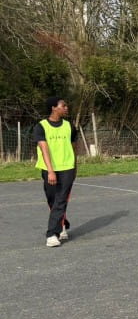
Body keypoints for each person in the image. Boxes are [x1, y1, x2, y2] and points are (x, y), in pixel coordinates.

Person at [34, 96, 79, 247]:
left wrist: (75, 166)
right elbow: (44, 149)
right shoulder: (41, 127)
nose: (66, 108)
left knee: (61, 199)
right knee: (52, 200)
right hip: (49, 169)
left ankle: (52, 234)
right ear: (54, 107)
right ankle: (62, 224)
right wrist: (51, 171)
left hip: (67, 168)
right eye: (63, 105)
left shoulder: (69, 126)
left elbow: (74, 147)